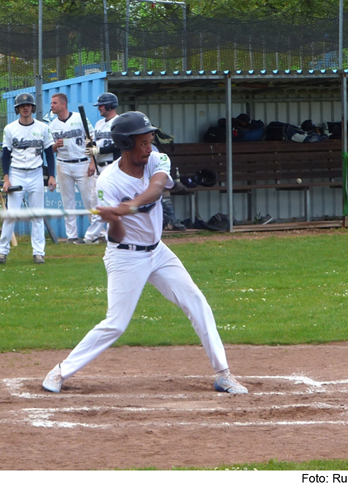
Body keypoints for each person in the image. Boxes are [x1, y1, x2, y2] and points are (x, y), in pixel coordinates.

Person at [42, 111, 248, 396]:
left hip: (158, 252)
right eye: (142, 143)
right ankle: (60, 371)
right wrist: (114, 219)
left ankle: (223, 374)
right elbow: (117, 237)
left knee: (197, 302)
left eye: (150, 141)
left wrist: (127, 207)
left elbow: (156, 188)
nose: (149, 148)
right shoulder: (108, 183)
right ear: (125, 145)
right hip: (125, 256)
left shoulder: (156, 159)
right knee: (115, 324)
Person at [0, 93, 56, 264]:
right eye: (22, 106)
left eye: (28, 105)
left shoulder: (42, 128)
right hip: (17, 173)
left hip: (36, 173)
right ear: (17, 109)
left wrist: (51, 175)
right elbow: (6, 156)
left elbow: (49, 154)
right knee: (12, 214)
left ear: (33, 108)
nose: (25, 108)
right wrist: (6, 179)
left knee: (37, 214)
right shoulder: (10, 129)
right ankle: (2, 251)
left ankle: (39, 252)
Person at [48, 92, 99, 244]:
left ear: (63, 104)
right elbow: (49, 150)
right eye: (51, 103)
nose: (52, 106)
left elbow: (92, 140)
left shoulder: (79, 118)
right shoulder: (52, 126)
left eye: (54, 103)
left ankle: (96, 234)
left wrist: (92, 162)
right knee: (67, 201)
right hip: (63, 164)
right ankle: (72, 236)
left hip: (82, 162)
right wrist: (55, 146)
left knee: (89, 199)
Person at [80, 92, 121, 244]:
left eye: (102, 106)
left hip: (112, 166)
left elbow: (118, 145)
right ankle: (96, 236)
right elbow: (94, 144)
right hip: (99, 167)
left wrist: (99, 150)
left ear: (110, 105)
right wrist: (91, 149)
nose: (99, 109)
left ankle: (93, 236)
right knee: (95, 202)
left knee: (109, 202)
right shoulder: (98, 124)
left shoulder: (119, 121)